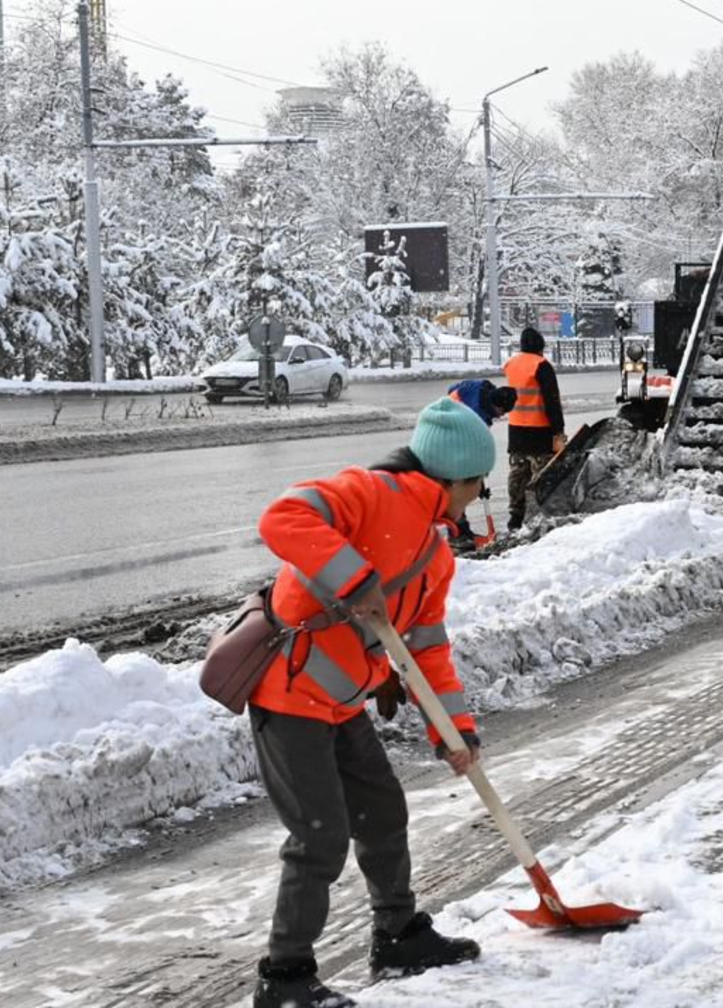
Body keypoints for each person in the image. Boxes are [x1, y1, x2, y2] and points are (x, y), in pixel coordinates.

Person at [247, 397, 493, 1008]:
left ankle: (397, 937)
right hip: (290, 688)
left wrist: (453, 728)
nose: (478, 498)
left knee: (382, 813)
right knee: (320, 835)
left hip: (340, 700)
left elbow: (428, 648)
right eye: (479, 487)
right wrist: (353, 578)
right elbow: (283, 518)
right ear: (455, 478)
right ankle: (285, 980)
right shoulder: (368, 493)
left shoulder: (435, 554)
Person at [503, 327, 566, 531]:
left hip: (516, 430)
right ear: (540, 346)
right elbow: (551, 401)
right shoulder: (541, 365)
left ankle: (515, 516)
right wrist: (558, 431)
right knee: (542, 476)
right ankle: (539, 516)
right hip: (540, 431)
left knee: (518, 474)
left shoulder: (511, 364)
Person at [445, 379, 518, 550]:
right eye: (503, 411)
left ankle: (462, 532)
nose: (502, 415)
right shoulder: (476, 418)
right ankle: (457, 535)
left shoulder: (482, 387)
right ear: (496, 405)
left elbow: (452, 389)